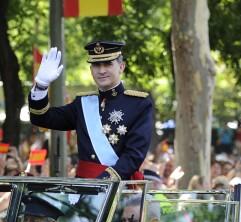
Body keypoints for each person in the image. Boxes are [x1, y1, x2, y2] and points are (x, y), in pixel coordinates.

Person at [28, 41, 153, 180]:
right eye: (96, 65)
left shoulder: (139, 104)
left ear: (121, 67)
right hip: (84, 187)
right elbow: (41, 118)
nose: (101, 70)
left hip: (117, 188)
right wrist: (40, 86)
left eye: (108, 64)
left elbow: (134, 155)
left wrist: (102, 183)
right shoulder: (82, 103)